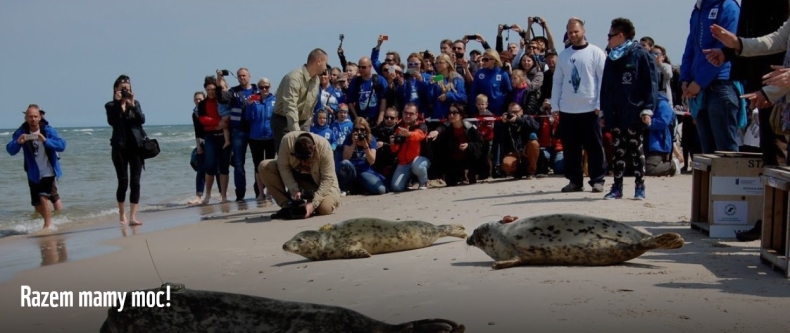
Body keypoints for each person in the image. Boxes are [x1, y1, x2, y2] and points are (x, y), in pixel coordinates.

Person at [600, 18, 658, 200]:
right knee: (618, 150)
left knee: (635, 148)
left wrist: (647, 109)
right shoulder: (611, 57)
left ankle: (640, 187)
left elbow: (650, 84)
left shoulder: (640, 54)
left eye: (610, 35)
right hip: (615, 112)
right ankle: (616, 187)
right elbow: (605, 87)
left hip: (634, 111)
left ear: (621, 35)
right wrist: (603, 111)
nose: (608, 38)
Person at [550, 18, 608, 193]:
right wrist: (555, 106)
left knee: (594, 146)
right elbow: (558, 82)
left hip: (590, 108)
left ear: (583, 31)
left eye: (576, 31)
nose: (573, 35)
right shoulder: (564, 55)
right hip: (568, 109)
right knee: (571, 148)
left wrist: (600, 103)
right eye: (570, 32)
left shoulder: (596, 52)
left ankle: (597, 180)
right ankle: (575, 181)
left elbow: (602, 80)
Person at [6, 104, 67, 231]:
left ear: (40, 117)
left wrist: (45, 140)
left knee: (43, 196)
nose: (33, 119)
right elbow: (10, 150)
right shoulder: (21, 131)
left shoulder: (48, 130)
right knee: (37, 205)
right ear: (26, 118)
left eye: (35, 116)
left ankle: (48, 225)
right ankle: (51, 221)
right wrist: (18, 142)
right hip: (33, 172)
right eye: (30, 117)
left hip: (48, 170)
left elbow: (61, 145)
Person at [258, 131, 341, 218]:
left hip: (320, 182)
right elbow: (283, 168)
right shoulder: (287, 142)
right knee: (264, 166)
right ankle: (287, 204)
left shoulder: (324, 147)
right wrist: (294, 189)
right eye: (300, 158)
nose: (303, 162)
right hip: (297, 177)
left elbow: (327, 179)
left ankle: (309, 205)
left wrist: (313, 204)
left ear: (314, 148)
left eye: (307, 159)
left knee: (325, 208)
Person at [105, 75, 147, 226]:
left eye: (128, 89)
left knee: (135, 182)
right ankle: (122, 212)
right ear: (115, 90)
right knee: (123, 182)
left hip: (136, 147)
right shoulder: (110, 105)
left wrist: (132, 103)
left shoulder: (135, 104)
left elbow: (142, 120)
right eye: (122, 89)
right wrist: (118, 103)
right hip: (119, 148)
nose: (125, 91)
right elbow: (112, 121)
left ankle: (133, 216)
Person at [272, 48, 327, 152]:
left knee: (306, 157)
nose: (325, 67)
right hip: (284, 121)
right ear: (319, 61)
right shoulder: (294, 78)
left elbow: (311, 106)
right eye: (325, 63)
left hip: (304, 121)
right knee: (287, 158)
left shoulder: (316, 81)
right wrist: (297, 134)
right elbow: (290, 107)